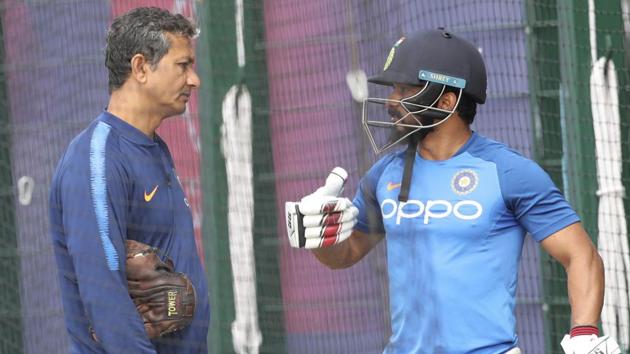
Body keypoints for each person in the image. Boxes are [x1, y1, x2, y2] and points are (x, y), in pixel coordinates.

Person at [285, 29, 621, 354]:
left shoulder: (509, 173)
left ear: (447, 101)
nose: (390, 102)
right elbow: (347, 253)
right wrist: (320, 236)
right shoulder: (383, 175)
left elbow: (581, 256)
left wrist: (584, 335)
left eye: (404, 90)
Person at [49, 7, 209, 353]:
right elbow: (102, 293)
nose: (194, 79)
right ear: (140, 68)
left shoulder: (154, 148)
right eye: (183, 65)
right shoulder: (96, 160)